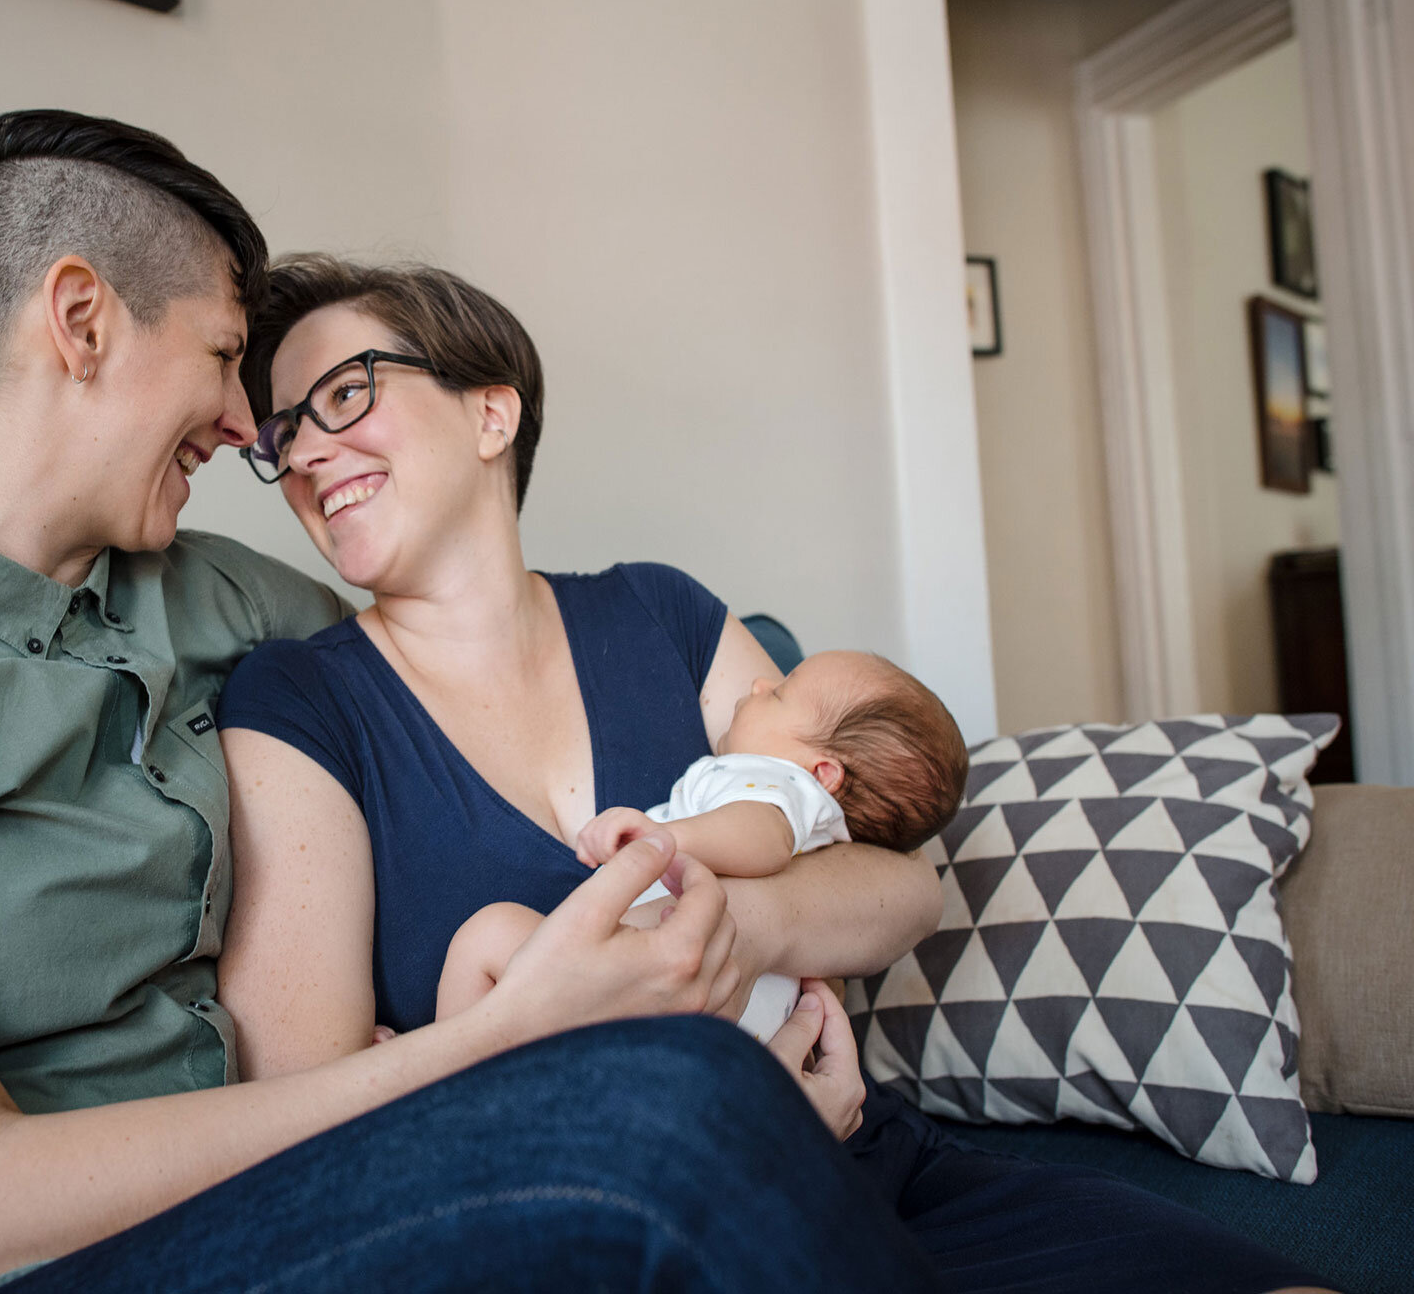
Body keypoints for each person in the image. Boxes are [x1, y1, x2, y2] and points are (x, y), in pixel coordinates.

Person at [0, 110, 947, 1294]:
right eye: (232, 361)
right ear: (82, 318)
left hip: (263, 1207)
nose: (252, 434)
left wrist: (746, 978)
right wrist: (502, 1048)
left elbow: (473, 673)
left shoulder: (226, 605)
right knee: (666, 1115)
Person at [215, 255, 1331, 1294]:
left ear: (489, 411)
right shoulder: (298, 703)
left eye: (346, 394)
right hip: (593, 1222)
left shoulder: (659, 614)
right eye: (282, 430)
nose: (304, 453)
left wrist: (732, 947)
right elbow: (297, 1113)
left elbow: (896, 890)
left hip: (854, 1148)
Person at [434, 649, 969, 1040]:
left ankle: (433, 1086)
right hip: (719, 1019)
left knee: (487, 936)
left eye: (780, 693)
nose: (760, 683)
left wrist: (666, 839)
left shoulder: (775, 783)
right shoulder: (813, 818)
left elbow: (764, 840)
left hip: (661, 967)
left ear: (823, 772)